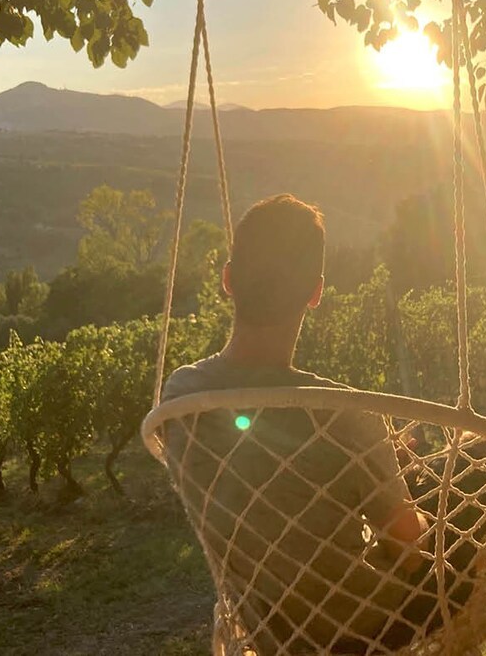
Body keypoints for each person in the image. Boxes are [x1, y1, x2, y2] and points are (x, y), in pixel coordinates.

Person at [162, 194, 430, 653]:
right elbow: (406, 549)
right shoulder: (341, 413)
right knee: (479, 476)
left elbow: (270, 487)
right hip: (363, 629)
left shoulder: (182, 399)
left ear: (228, 280)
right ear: (316, 292)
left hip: (270, 628)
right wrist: (400, 481)